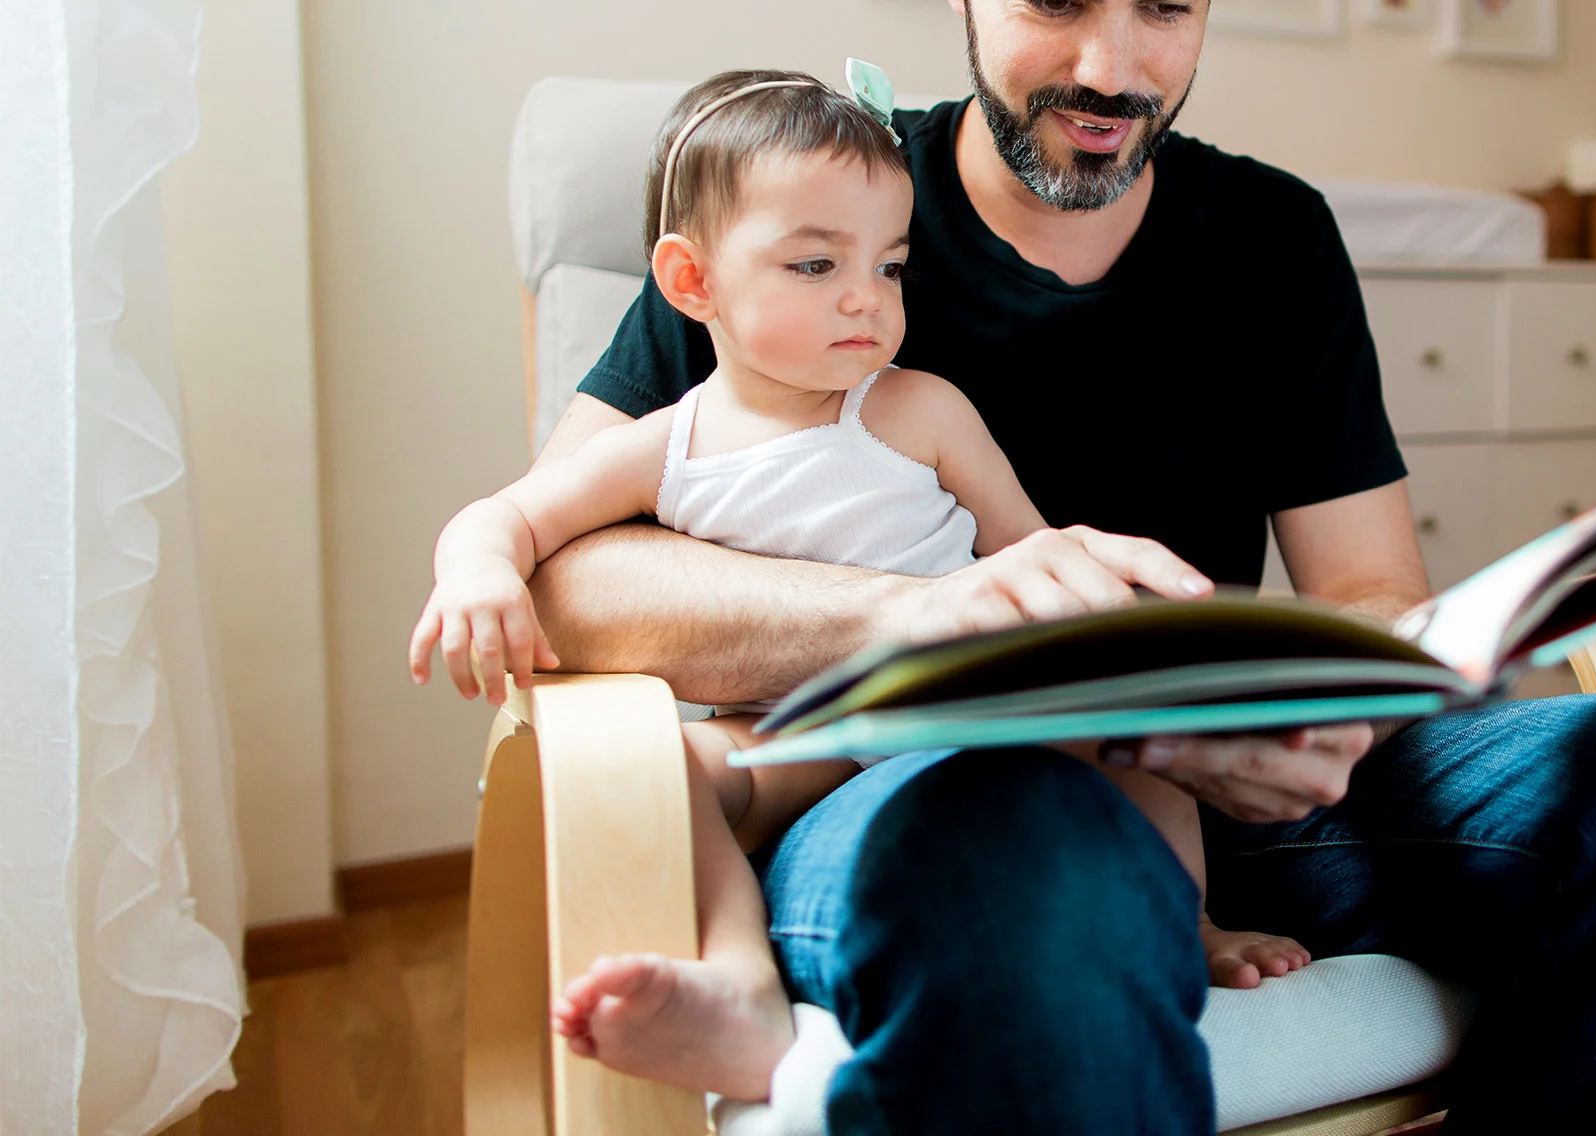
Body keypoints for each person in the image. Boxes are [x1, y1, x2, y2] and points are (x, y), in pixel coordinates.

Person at [527, 0, 1596, 1132]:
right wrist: (927, 617)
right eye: (1055, 1)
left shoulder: (1274, 239)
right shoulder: (819, 212)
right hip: (913, 784)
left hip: (1223, 795)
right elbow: (567, 571)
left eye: (1169, 6)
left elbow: (1370, 584)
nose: (1112, 71)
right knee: (1042, 859)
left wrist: (1297, 702)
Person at [408, 66, 1312, 1100]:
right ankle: (739, 985)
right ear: (690, 281)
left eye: (888, 267)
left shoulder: (919, 410)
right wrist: (477, 567)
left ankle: (1189, 924)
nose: (864, 300)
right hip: (787, 736)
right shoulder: (667, 443)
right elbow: (520, 517)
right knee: (674, 771)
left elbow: (1031, 551)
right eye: (813, 264)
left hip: (957, 715)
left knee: (1130, 742)